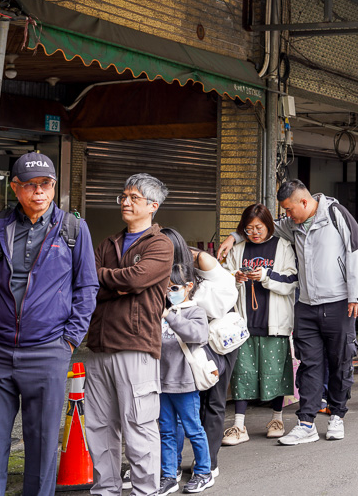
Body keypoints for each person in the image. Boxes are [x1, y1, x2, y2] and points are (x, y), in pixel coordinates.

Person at [0, 152, 98, 496]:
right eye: (30, 185)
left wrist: (69, 340)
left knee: (41, 447)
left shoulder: (73, 228)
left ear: (54, 186)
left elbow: (87, 286)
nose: (38, 192)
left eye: (46, 184)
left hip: (48, 351)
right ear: (15, 188)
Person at [217, 180, 358, 446]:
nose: (286, 216)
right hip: (307, 305)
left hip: (340, 302)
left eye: (288, 210)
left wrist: (356, 295)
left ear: (304, 202)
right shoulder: (292, 224)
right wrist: (233, 237)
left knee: (340, 360)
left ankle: (337, 416)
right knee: (309, 364)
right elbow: (262, 226)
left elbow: (356, 251)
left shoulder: (336, 214)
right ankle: (306, 423)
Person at [86, 174, 174, 496]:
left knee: (139, 428)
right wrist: (118, 284)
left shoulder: (160, 245)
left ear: (153, 205)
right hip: (98, 348)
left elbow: (136, 281)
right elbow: (87, 283)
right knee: (98, 427)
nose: (125, 202)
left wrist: (111, 281)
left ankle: (145, 492)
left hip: (136, 347)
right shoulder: (107, 243)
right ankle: (104, 491)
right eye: (123, 196)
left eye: (133, 198)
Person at [160, 229, 237, 482]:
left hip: (216, 336)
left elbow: (226, 297)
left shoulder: (199, 261)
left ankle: (207, 466)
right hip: (178, 352)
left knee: (211, 402)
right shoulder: (161, 272)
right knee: (172, 423)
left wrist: (178, 310)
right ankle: (170, 469)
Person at [221, 204, 297, 446]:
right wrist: (236, 278)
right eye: (249, 228)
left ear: (269, 225)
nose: (254, 232)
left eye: (259, 227)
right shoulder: (239, 248)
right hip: (244, 322)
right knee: (242, 373)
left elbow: (291, 280)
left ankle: (277, 419)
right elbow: (222, 280)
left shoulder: (282, 246)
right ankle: (239, 425)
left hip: (275, 321)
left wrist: (265, 276)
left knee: (275, 371)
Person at [157, 257, 213, 495]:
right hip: (161, 382)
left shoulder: (195, 311)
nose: (170, 292)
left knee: (193, 429)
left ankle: (204, 472)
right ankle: (169, 475)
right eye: (166, 288)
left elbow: (197, 335)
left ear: (189, 286)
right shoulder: (163, 312)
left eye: (174, 287)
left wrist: (170, 316)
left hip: (185, 382)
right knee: (167, 431)